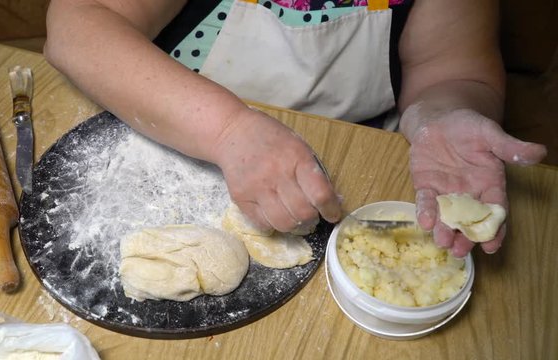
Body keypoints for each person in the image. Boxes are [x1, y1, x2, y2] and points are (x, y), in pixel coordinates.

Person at [44, 0, 547, 257]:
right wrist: (226, 130)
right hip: (179, 134)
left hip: (356, 168)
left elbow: (453, 71)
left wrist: (443, 113)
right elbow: (79, 24)